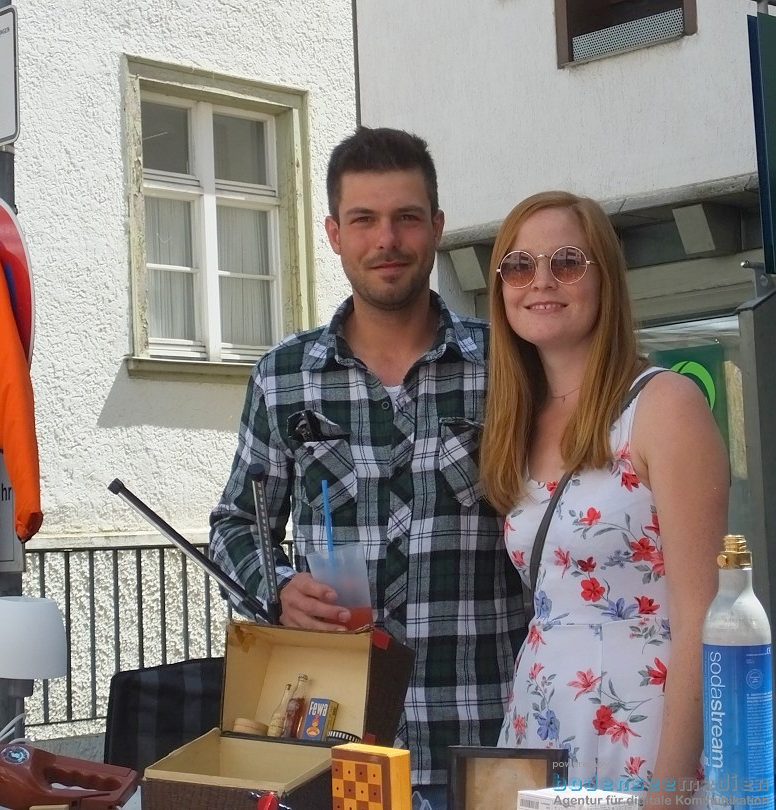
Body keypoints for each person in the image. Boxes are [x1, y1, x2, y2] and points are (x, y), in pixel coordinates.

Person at [209, 127, 526, 809]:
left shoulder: (506, 366)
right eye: (365, 220)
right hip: (338, 745)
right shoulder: (283, 378)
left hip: (487, 736)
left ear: (436, 227)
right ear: (333, 232)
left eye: (406, 218)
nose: (388, 239)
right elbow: (237, 523)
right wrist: (277, 589)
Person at [479, 191, 729, 802]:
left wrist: (669, 788)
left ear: (604, 280)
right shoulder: (517, 418)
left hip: (642, 735)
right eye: (518, 266)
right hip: (541, 725)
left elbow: (704, 613)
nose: (541, 281)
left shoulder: (665, 407)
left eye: (566, 262)